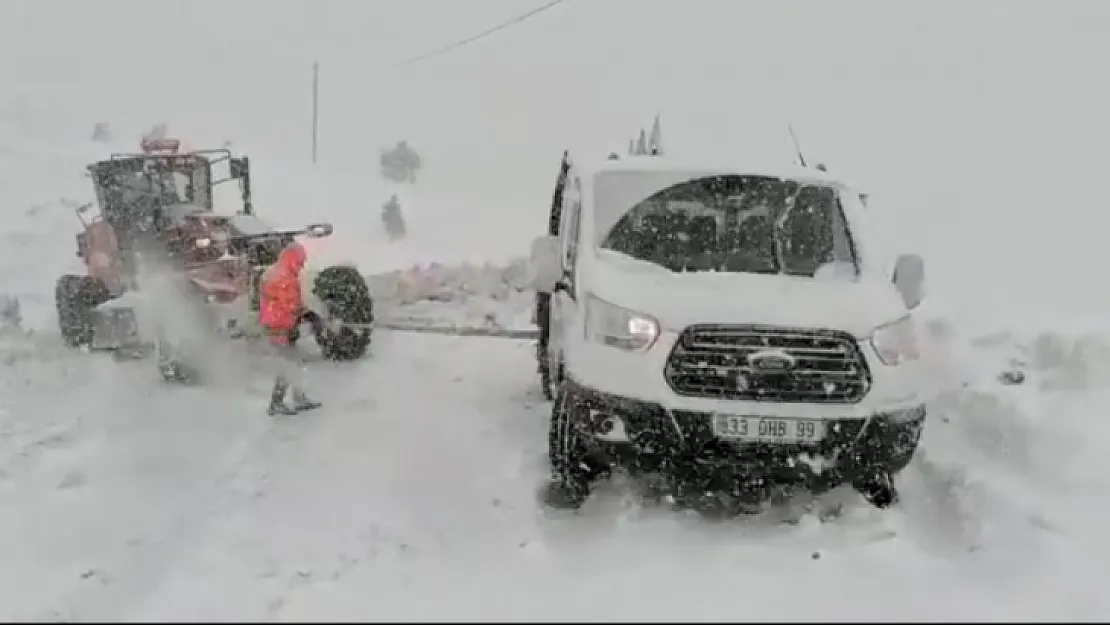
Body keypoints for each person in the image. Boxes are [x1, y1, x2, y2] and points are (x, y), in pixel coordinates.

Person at [258, 241, 322, 416]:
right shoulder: (281, 277)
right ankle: (276, 403)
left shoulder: (284, 274)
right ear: (292, 258)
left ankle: (299, 398)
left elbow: (292, 303)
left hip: (284, 325)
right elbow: (287, 304)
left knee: (295, 363)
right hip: (278, 327)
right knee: (286, 366)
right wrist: (304, 315)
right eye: (300, 261)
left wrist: (305, 314)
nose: (302, 266)